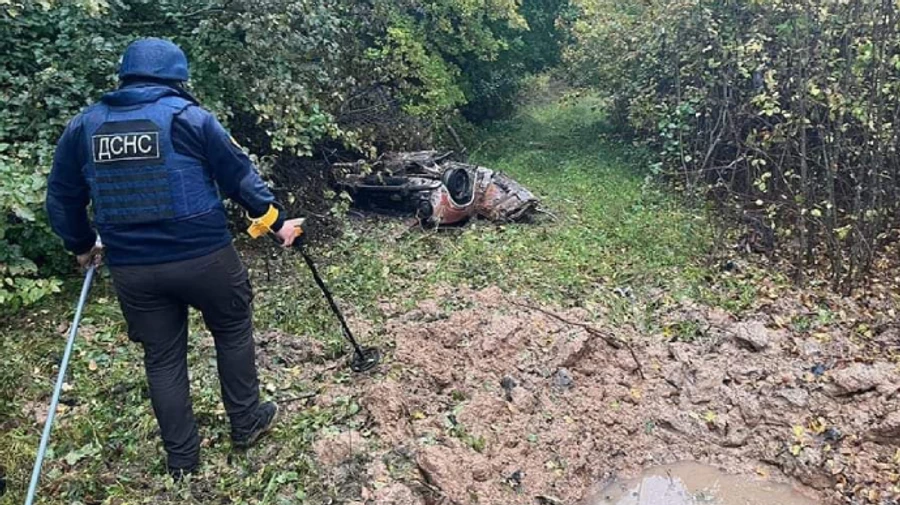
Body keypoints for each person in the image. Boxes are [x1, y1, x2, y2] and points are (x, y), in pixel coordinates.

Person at [45, 38, 303, 477]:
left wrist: (82, 244)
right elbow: (239, 176)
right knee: (232, 329)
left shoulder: (84, 126)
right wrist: (277, 222)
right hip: (205, 258)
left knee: (162, 358)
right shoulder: (190, 118)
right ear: (177, 78)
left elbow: (62, 196)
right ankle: (246, 422)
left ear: (125, 76)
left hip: (134, 268)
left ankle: (182, 461)